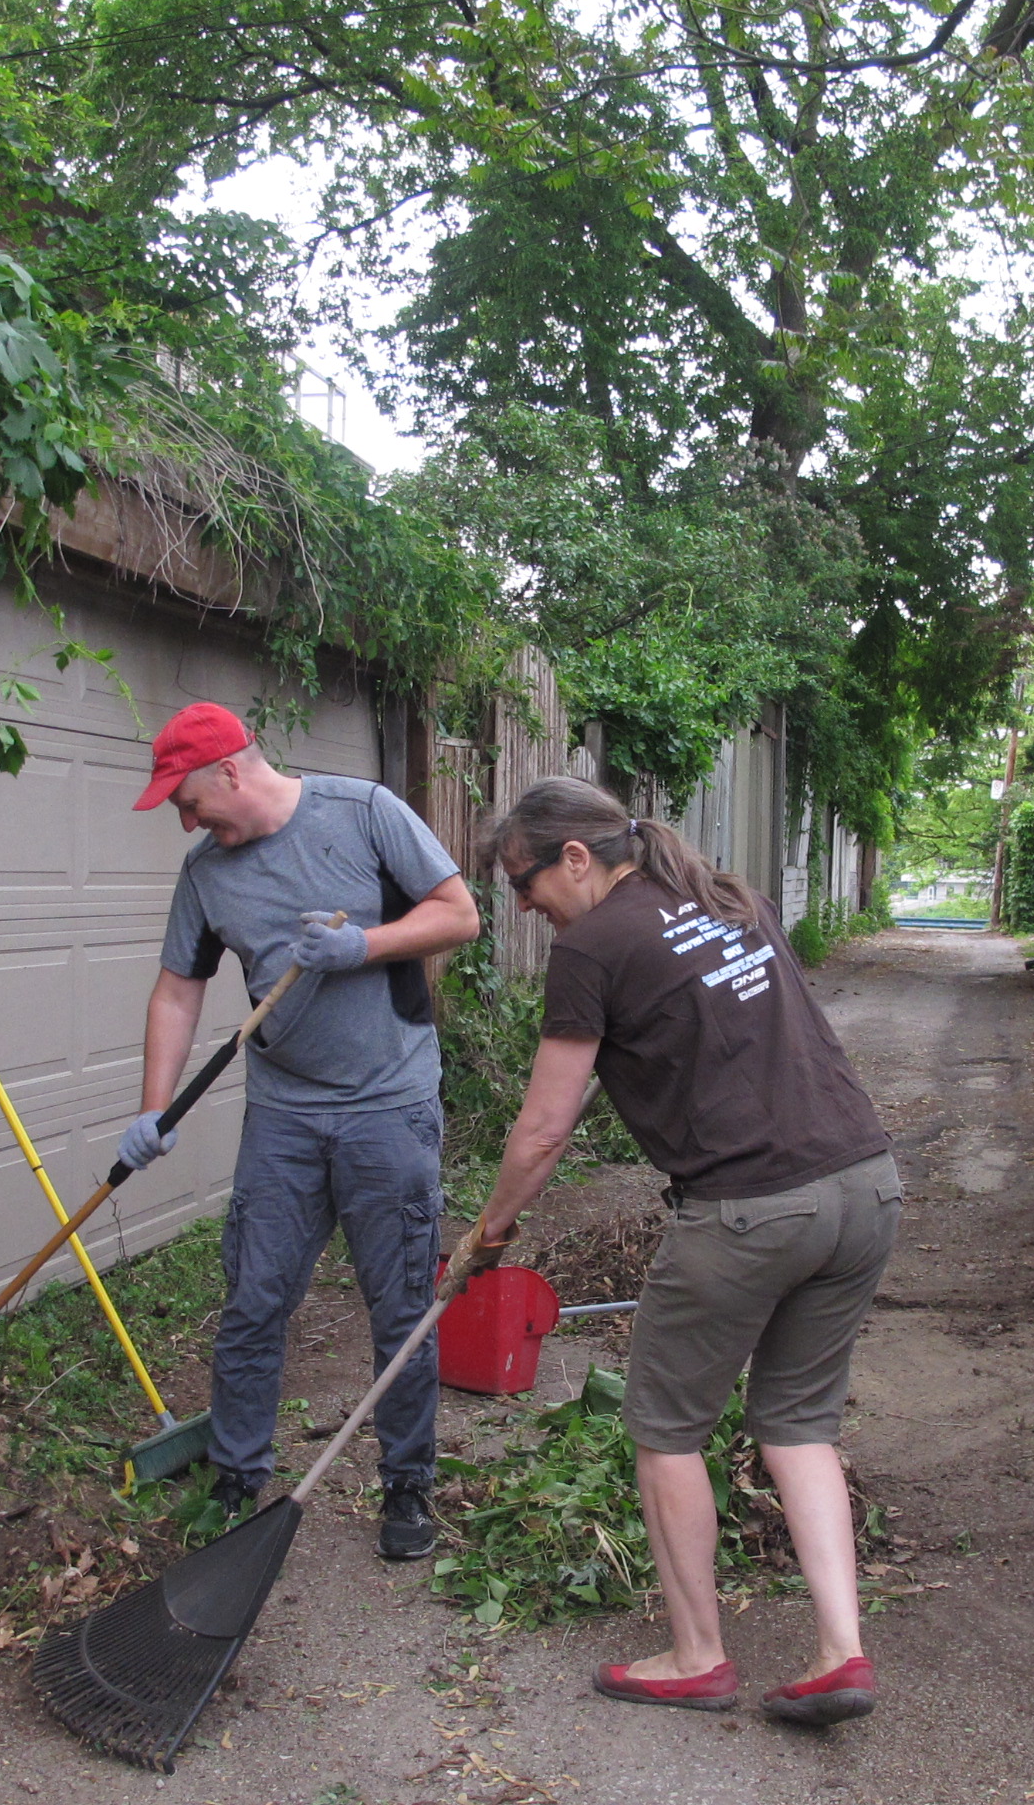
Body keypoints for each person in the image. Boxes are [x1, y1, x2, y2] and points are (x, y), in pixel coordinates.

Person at [470, 776, 900, 1726]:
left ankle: (697, 1656)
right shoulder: (729, 898)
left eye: (524, 883)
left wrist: (491, 1230)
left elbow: (543, 1131)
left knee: (666, 1430)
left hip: (750, 1210)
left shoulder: (593, 946)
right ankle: (842, 1653)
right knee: (798, 1425)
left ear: (575, 858)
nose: (527, 909)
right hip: (864, 1186)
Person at [117, 702, 481, 1559]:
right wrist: (153, 1107)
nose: (184, 817)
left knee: (398, 1305)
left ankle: (408, 1486)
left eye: (188, 798)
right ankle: (239, 1476)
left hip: (388, 1106)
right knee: (254, 1298)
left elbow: (459, 914)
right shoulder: (207, 874)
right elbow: (178, 988)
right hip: (283, 1115)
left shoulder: (364, 813)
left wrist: (366, 945)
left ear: (230, 772)